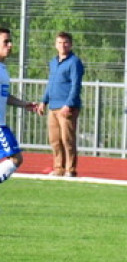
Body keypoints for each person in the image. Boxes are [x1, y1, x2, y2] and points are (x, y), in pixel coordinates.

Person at [0, 27, 42, 189]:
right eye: (5, 42)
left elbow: (5, 96)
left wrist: (24, 104)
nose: (10, 45)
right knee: (16, 158)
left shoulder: (3, 68)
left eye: (11, 41)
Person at [40, 31, 84, 177]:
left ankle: (70, 169)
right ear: (55, 44)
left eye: (65, 42)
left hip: (66, 107)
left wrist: (69, 104)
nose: (62, 45)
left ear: (70, 45)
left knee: (67, 139)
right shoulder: (53, 62)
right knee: (54, 139)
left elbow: (75, 85)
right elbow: (50, 84)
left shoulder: (74, 62)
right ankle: (58, 168)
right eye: (59, 42)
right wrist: (43, 101)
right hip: (53, 106)